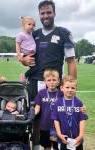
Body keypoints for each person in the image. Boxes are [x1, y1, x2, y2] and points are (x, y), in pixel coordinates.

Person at [19, 1, 77, 149]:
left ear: (54, 13)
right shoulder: (34, 34)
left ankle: (56, 144)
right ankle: (38, 145)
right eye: (43, 13)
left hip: (54, 83)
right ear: (39, 15)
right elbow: (25, 58)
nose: (46, 16)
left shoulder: (64, 33)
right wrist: (23, 59)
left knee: (56, 115)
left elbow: (71, 61)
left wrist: (71, 84)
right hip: (34, 81)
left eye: (48, 12)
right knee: (36, 116)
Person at [52, 75, 88, 150]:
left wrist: (81, 135)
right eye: (67, 87)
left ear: (76, 89)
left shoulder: (79, 103)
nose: (70, 90)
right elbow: (56, 120)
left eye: (73, 88)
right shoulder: (58, 102)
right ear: (62, 88)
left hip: (76, 139)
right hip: (63, 137)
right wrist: (59, 134)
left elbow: (82, 120)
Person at [34, 69, 61, 150]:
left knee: (56, 146)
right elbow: (37, 107)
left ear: (58, 81)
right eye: (49, 80)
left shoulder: (61, 94)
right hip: (45, 126)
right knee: (47, 146)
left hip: (57, 127)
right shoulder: (41, 93)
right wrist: (32, 114)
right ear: (45, 81)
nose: (51, 82)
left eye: (54, 80)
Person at [16, 16, 38, 81]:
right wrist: (19, 55)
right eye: (29, 24)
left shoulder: (31, 34)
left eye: (33, 25)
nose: (32, 26)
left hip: (34, 54)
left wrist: (24, 18)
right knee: (35, 68)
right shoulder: (21, 34)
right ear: (23, 26)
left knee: (37, 67)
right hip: (28, 55)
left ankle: (27, 77)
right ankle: (24, 76)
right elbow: (17, 44)